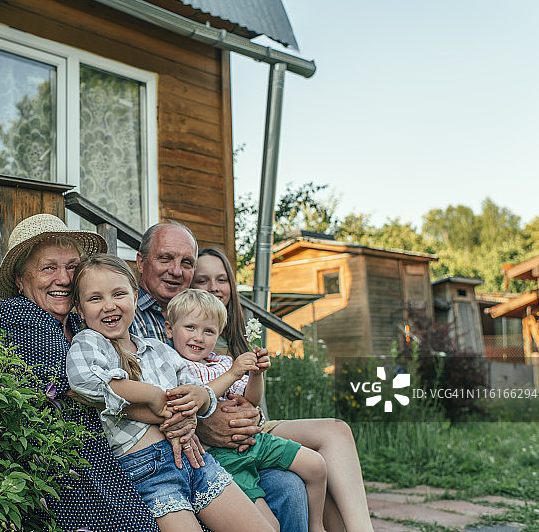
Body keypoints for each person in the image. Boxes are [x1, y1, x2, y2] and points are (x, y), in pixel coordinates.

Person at [0, 214, 198, 532]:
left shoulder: (78, 324)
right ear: (21, 280)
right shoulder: (19, 316)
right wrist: (174, 416)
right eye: (48, 268)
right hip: (71, 474)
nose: (64, 279)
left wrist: (183, 412)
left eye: (72, 266)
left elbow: (133, 381)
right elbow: (83, 391)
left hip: (119, 458)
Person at [66, 255, 277, 532]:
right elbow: (87, 382)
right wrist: (153, 395)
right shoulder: (90, 342)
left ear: (134, 295)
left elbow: (194, 393)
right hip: (149, 469)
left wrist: (198, 401)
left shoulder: (158, 350)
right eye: (95, 299)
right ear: (79, 310)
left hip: (197, 460)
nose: (109, 305)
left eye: (119, 294)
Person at [130, 222, 310, 531]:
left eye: (186, 263)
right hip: (183, 452)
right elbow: (146, 397)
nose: (176, 270)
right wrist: (206, 422)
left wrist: (248, 415)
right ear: (141, 262)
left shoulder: (200, 324)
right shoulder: (126, 314)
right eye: (165, 259)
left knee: (292, 484)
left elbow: (243, 395)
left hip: (235, 444)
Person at [193, 247, 375, 532]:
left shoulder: (235, 335)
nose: (214, 288)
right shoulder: (187, 337)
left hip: (254, 426)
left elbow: (252, 401)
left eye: (221, 279)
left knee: (336, 432)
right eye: (202, 281)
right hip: (219, 435)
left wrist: (255, 378)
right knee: (305, 468)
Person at [166, 289, 329, 532]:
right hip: (223, 459)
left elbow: (251, 400)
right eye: (190, 327)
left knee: (316, 465)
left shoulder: (220, 362)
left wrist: (255, 374)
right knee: (269, 525)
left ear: (218, 335)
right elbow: (196, 401)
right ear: (169, 329)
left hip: (253, 442)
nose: (199, 337)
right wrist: (233, 373)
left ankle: (317, 527)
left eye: (208, 331)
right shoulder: (171, 364)